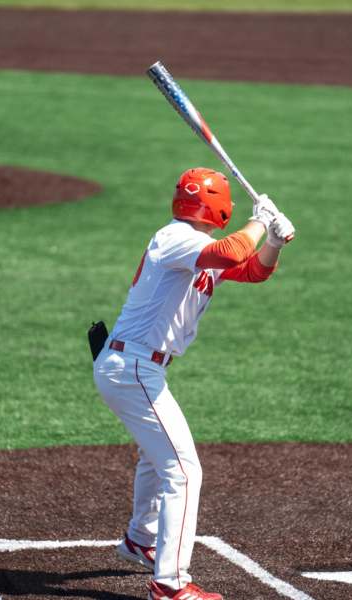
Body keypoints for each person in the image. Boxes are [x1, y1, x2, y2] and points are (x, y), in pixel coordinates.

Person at [93, 167, 295, 600]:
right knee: (183, 472)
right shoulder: (176, 239)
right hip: (131, 368)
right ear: (219, 205)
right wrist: (260, 220)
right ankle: (170, 585)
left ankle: (140, 540)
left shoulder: (197, 246)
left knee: (158, 456)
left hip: (136, 367)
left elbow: (252, 270)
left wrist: (274, 241)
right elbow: (229, 251)